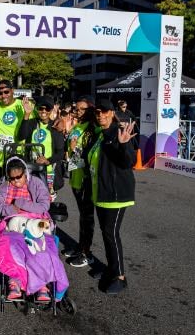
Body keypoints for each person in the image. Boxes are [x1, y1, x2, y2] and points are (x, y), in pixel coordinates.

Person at [0, 157, 68, 301]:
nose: (16, 181)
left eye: (19, 177)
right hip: (13, 221)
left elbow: (44, 205)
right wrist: (13, 209)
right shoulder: (5, 186)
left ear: (25, 173)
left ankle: (42, 285)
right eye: (12, 178)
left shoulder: (36, 183)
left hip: (36, 219)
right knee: (8, 244)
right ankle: (15, 280)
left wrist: (21, 204)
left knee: (40, 247)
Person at [88, 98, 136, 294]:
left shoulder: (118, 133)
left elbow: (128, 162)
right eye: (97, 112)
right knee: (107, 234)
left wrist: (124, 145)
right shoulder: (101, 134)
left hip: (115, 195)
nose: (100, 115)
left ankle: (120, 276)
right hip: (101, 193)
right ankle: (111, 268)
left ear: (112, 113)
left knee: (111, 234)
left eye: (104, 112)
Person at [63, 96, 98, 268]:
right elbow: (71, 149)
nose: (78, 111)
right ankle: (80, 246)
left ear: (91, 109)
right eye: (77, 108)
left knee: (87, 217)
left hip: (87, 178)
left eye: (83, 109)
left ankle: (86, 253)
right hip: (75, 175)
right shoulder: (77, 125)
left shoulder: (93, 128)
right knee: (82, 217)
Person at [18, 95, 65, 200]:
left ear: (51, 110)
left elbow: (61, 152)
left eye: (47, 108)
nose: (43, 111)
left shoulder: (55, 127)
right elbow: (21, 136)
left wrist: (48, 160)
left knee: (46, 206)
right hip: (32, 170)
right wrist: (26, 115)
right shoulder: (32, 123)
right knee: (31, 201)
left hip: (49, 173)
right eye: (40, 108)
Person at [0, 79, 26, 195]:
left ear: (12, 91)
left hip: (17, 158)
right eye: (0, 92)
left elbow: (43, 116)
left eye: (6, 92)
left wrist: (58, 121)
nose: (3, 95)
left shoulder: (23, 105)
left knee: (16, 193)